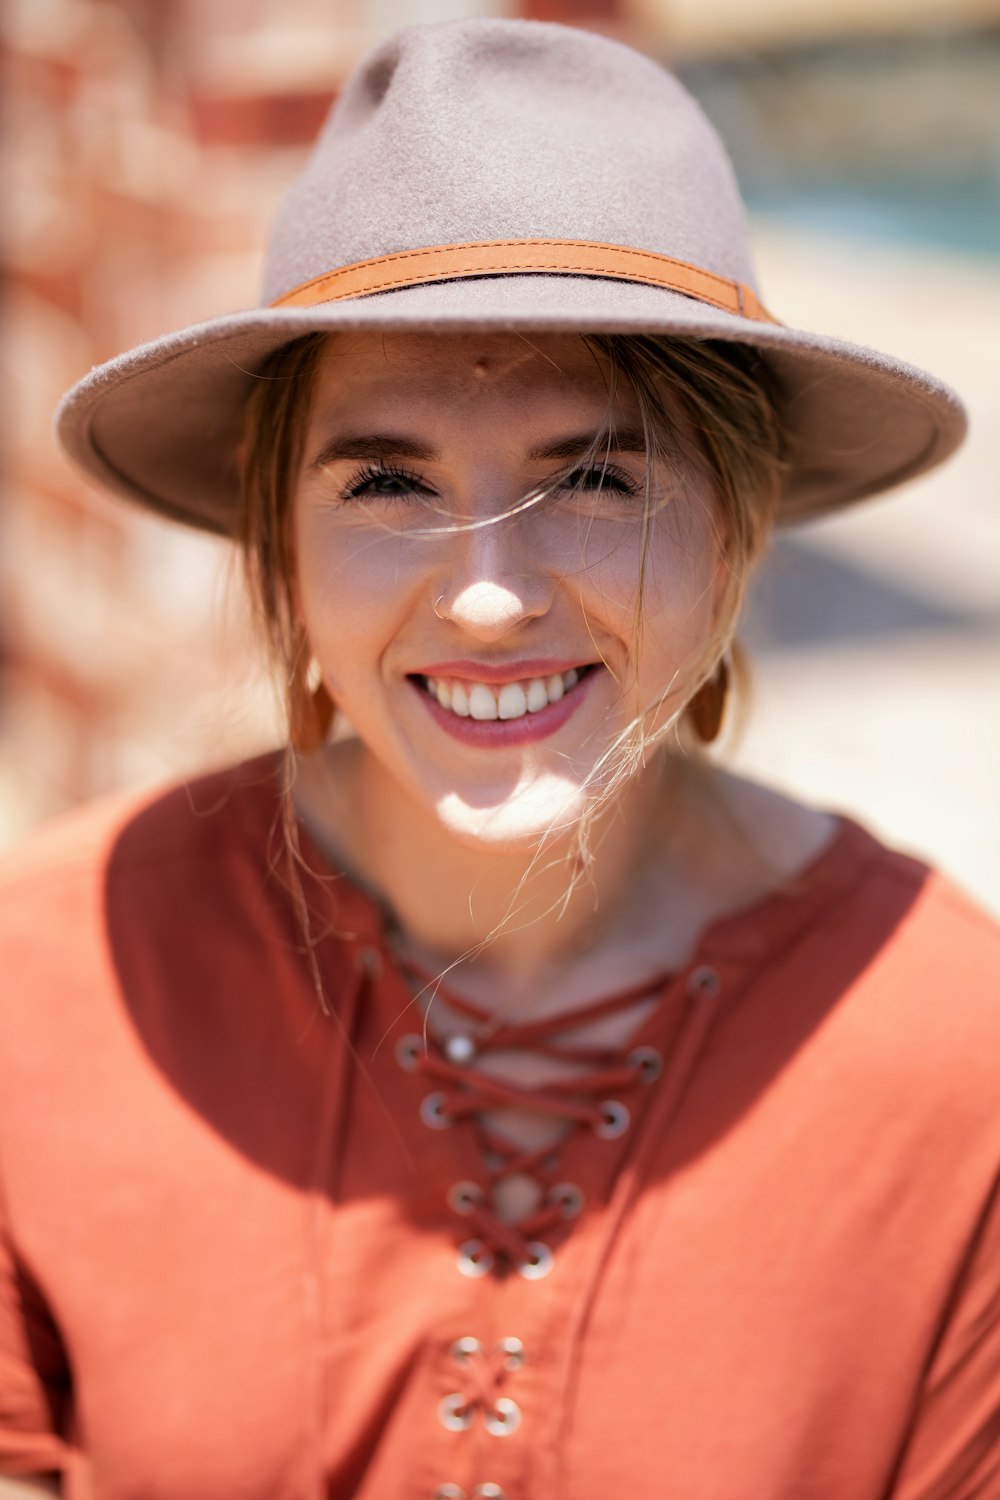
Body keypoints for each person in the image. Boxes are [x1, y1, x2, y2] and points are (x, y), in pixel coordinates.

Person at [2, 17, 998, 1500]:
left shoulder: (954, 1056)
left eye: (594, 475)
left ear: (738, 519)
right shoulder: (54, 975)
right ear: (279, 530)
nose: (487, 594)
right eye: (386, 482)